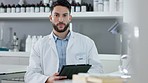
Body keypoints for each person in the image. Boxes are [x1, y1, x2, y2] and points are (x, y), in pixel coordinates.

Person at [24, 0, 103, 83]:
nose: (61, 20)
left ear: (70, 18)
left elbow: (97, 70)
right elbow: (30, 75)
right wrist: (47, 79)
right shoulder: (39, 45)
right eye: (56, 15)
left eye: (64, 15)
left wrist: (80, 78)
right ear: (51, 18)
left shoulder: (87, 42)